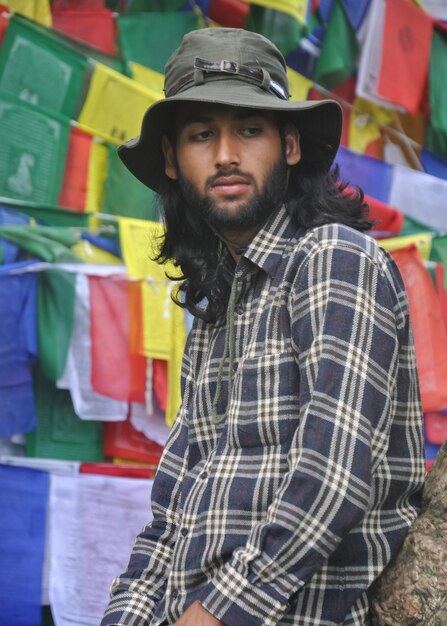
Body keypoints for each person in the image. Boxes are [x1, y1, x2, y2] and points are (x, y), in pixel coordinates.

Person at [101, 27, 425, 626]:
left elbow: (331, 483)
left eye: (249, 130)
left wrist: (211, 616)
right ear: (172, 161)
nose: (226, 154)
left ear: (291, 146)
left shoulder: (332, 258)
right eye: (202, 134)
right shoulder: (215, 315)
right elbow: (171, 516)